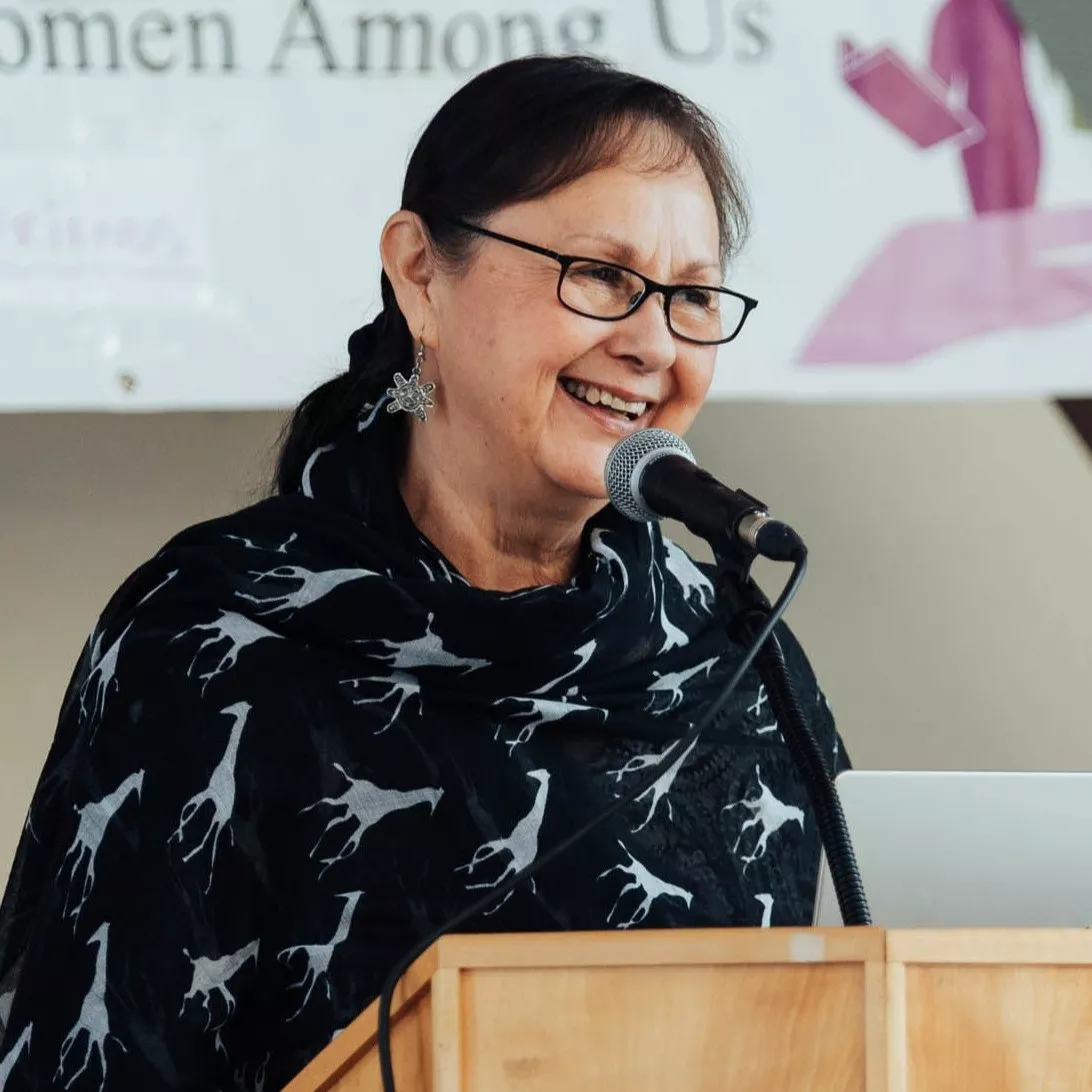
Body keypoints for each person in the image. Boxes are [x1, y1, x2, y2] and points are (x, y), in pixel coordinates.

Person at [0, 55, 846, 1091]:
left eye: (692, 295)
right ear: (420, 274)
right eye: (605, 277)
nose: (650, 342)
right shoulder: (214, 638)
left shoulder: (732, 659)